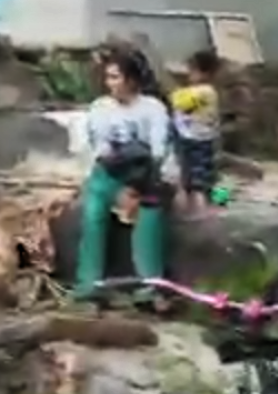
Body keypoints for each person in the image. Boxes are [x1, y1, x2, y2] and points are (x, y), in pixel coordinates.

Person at [75, 50, 171, 298]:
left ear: (131, 79)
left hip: (144, 175)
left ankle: (150, 287)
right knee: (93, 214)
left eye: (116, 77)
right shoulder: (101, 107)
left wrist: (135, 186)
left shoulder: (153, 108)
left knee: (149, 218)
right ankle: (88, 285)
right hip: (108, 175)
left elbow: (158, 152)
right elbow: (102, 150)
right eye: (108, 77)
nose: (110, 84)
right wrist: (118, 187)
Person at [170, 49, 222, 215]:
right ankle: (214, 204)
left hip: (195, 139)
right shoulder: (204, 91)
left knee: (196, 178)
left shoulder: (204, 91)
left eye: (192, 71)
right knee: (202, 176)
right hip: (198, 138)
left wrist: (175, 92)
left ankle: (201, 210)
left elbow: (179, 101)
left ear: (205, 73)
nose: (189, 75)